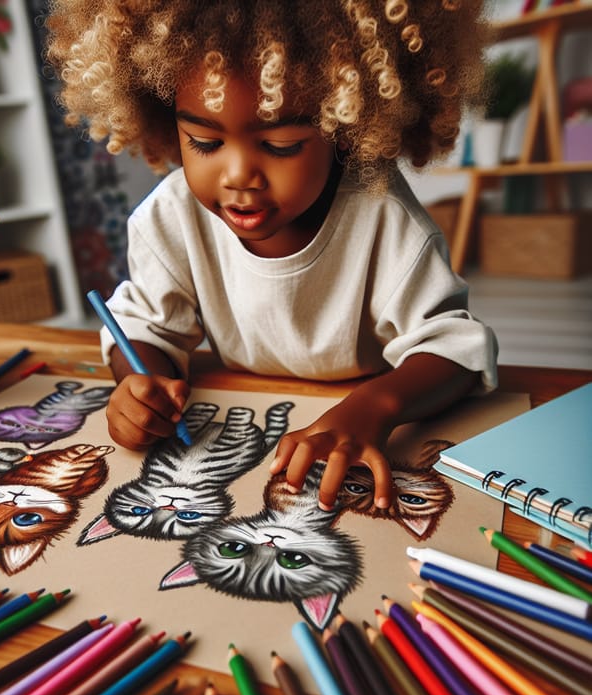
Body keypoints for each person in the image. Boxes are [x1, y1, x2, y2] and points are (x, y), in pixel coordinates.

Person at [46, 0, 497, 511]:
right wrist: (139, 384)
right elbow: (145, 329)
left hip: (354, 408)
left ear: (346, 127)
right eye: (204, 141)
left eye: (281, 145)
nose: (238, 175)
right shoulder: (171, 218)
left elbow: (458, 351)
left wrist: (374, 408)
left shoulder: (383, 217)